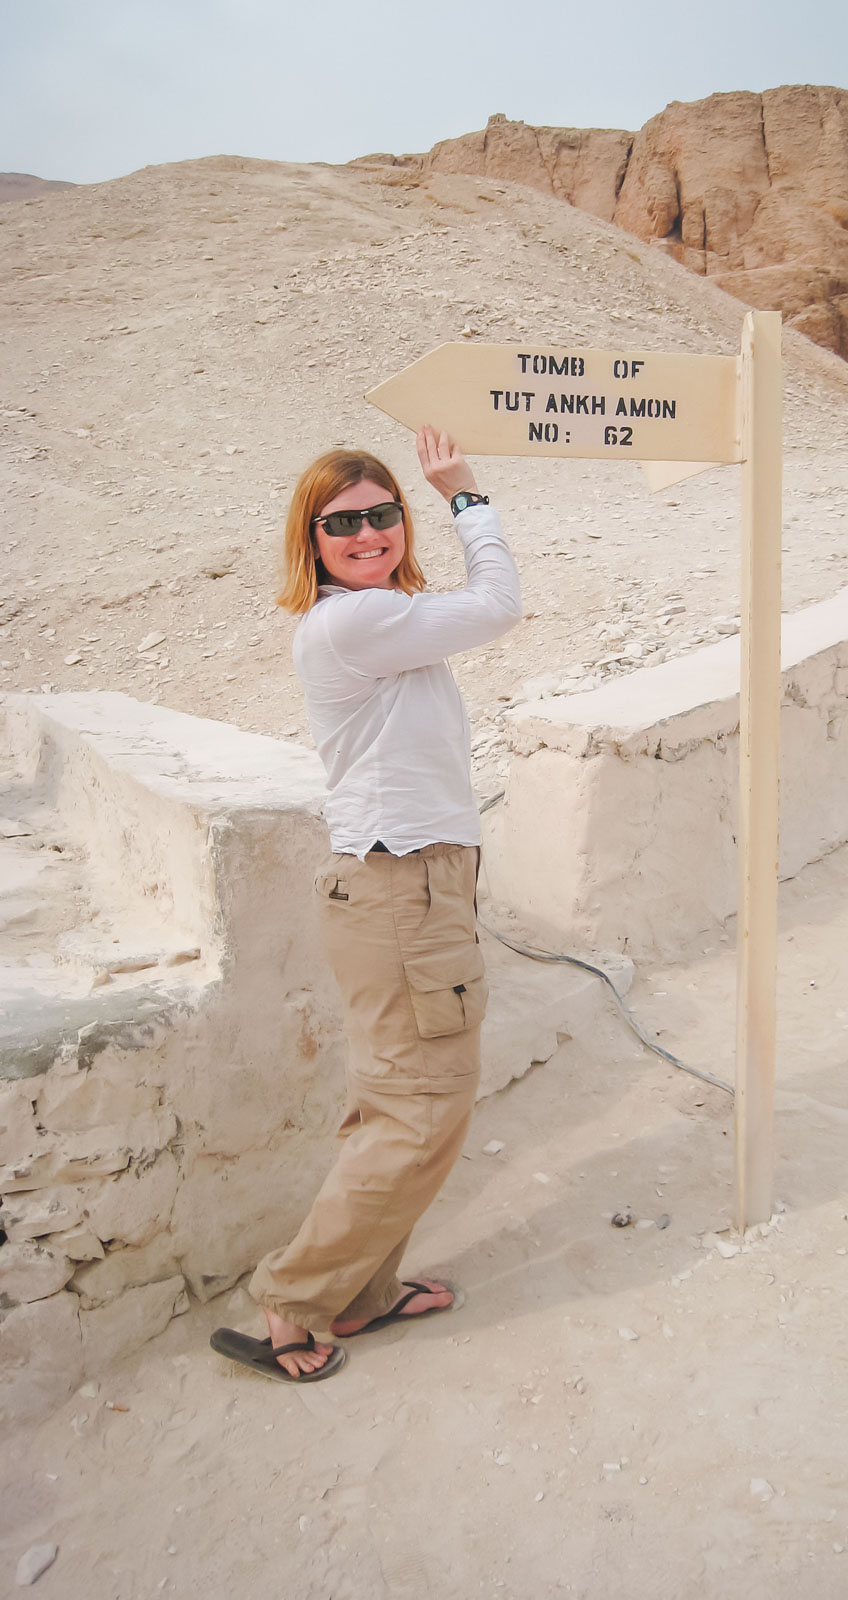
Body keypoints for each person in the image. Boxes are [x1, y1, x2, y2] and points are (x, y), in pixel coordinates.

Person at [210, 426, 521, 1382]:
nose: (369, 532)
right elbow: (500, 603)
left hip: (407, 885)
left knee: (394, 1102)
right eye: (342, 521)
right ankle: (291, 1306)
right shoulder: (355, 622)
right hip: (402, 888)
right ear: (311, 539)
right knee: (423, 1107)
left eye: (384, 513)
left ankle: (365, 1293)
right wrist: (467, 494)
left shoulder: (379, 614)